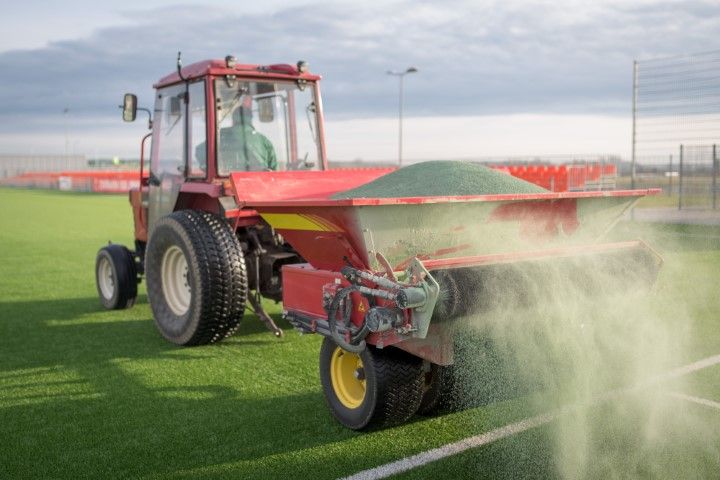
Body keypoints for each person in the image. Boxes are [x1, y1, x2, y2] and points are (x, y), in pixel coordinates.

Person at [217, 95, 277, 172]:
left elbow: (201, 151)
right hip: (257, 182)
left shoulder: (221, 136)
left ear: (234, 119)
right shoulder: (263, 140)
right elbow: (274, 171)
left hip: (229, 181)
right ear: (251, 119)